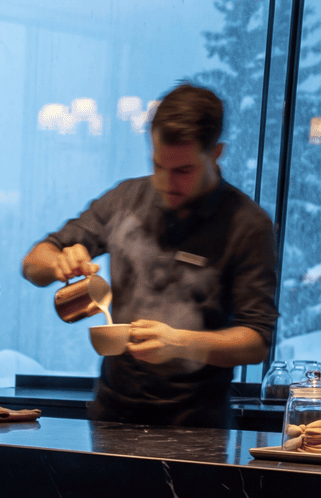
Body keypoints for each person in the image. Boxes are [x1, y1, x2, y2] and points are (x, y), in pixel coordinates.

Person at [21, 83, 277, 427]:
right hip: (112, 414)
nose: (167, 182)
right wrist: (58, 263)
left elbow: (256, 341)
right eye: (158, 165)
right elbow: (33, 263)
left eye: (183, 171)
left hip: (196, 423)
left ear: (216, 153)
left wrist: (181, 343)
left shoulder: (247, 224)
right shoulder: (125, 199)